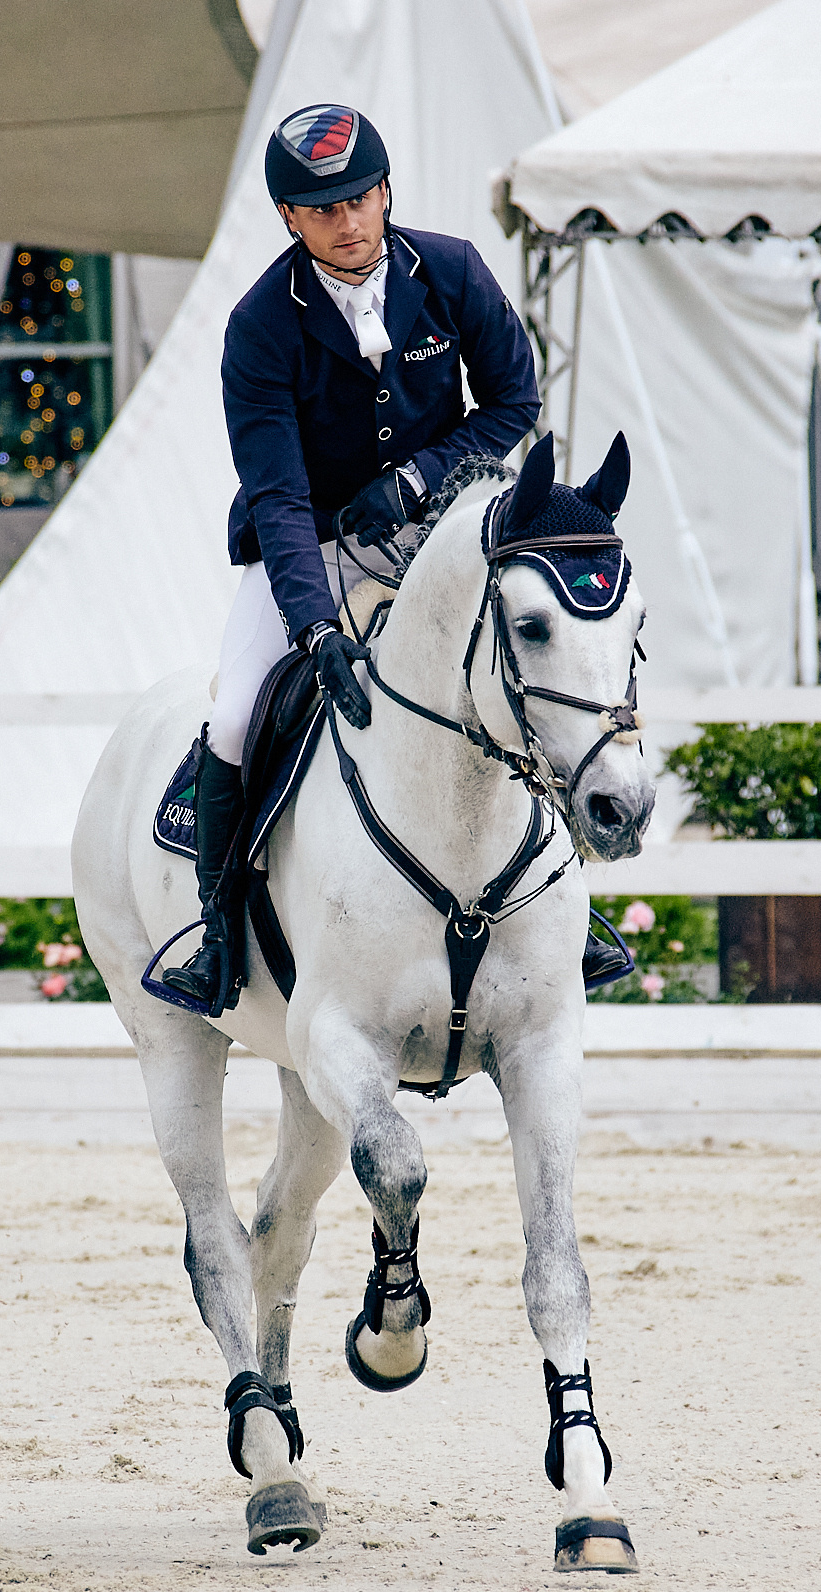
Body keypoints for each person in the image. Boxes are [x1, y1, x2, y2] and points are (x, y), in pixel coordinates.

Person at [159, 101, 549, 1011]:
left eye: (361, 199)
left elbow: (513, 402)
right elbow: (279, 497)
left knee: (514, 670)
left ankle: (563, 910)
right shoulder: (260, 326)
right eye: (324, 210)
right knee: (238, 714)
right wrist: (313, 627)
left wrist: (419, 479)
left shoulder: (449, 271)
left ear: (384, 192)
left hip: (433, 532)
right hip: (313, 548)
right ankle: (219, 934)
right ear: (290, 219)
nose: (349, 223)